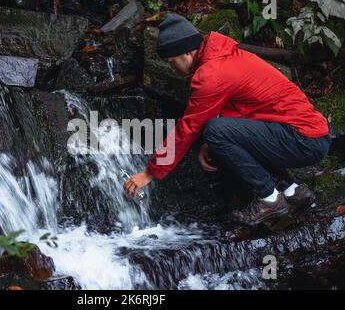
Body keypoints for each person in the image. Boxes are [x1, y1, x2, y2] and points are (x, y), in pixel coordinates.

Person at [123, 14, 331, 226]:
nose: (171, 68)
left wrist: (150, 172)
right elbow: (241, 111)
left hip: (303, 140)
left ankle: (270, 199)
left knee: (214, 129)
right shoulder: (223, 55)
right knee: (215, 131)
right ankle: (293, 192)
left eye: (171, 62)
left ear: (186, 52)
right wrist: (210, 144)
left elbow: (187, 129)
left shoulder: (211, 75)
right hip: (311, 135)